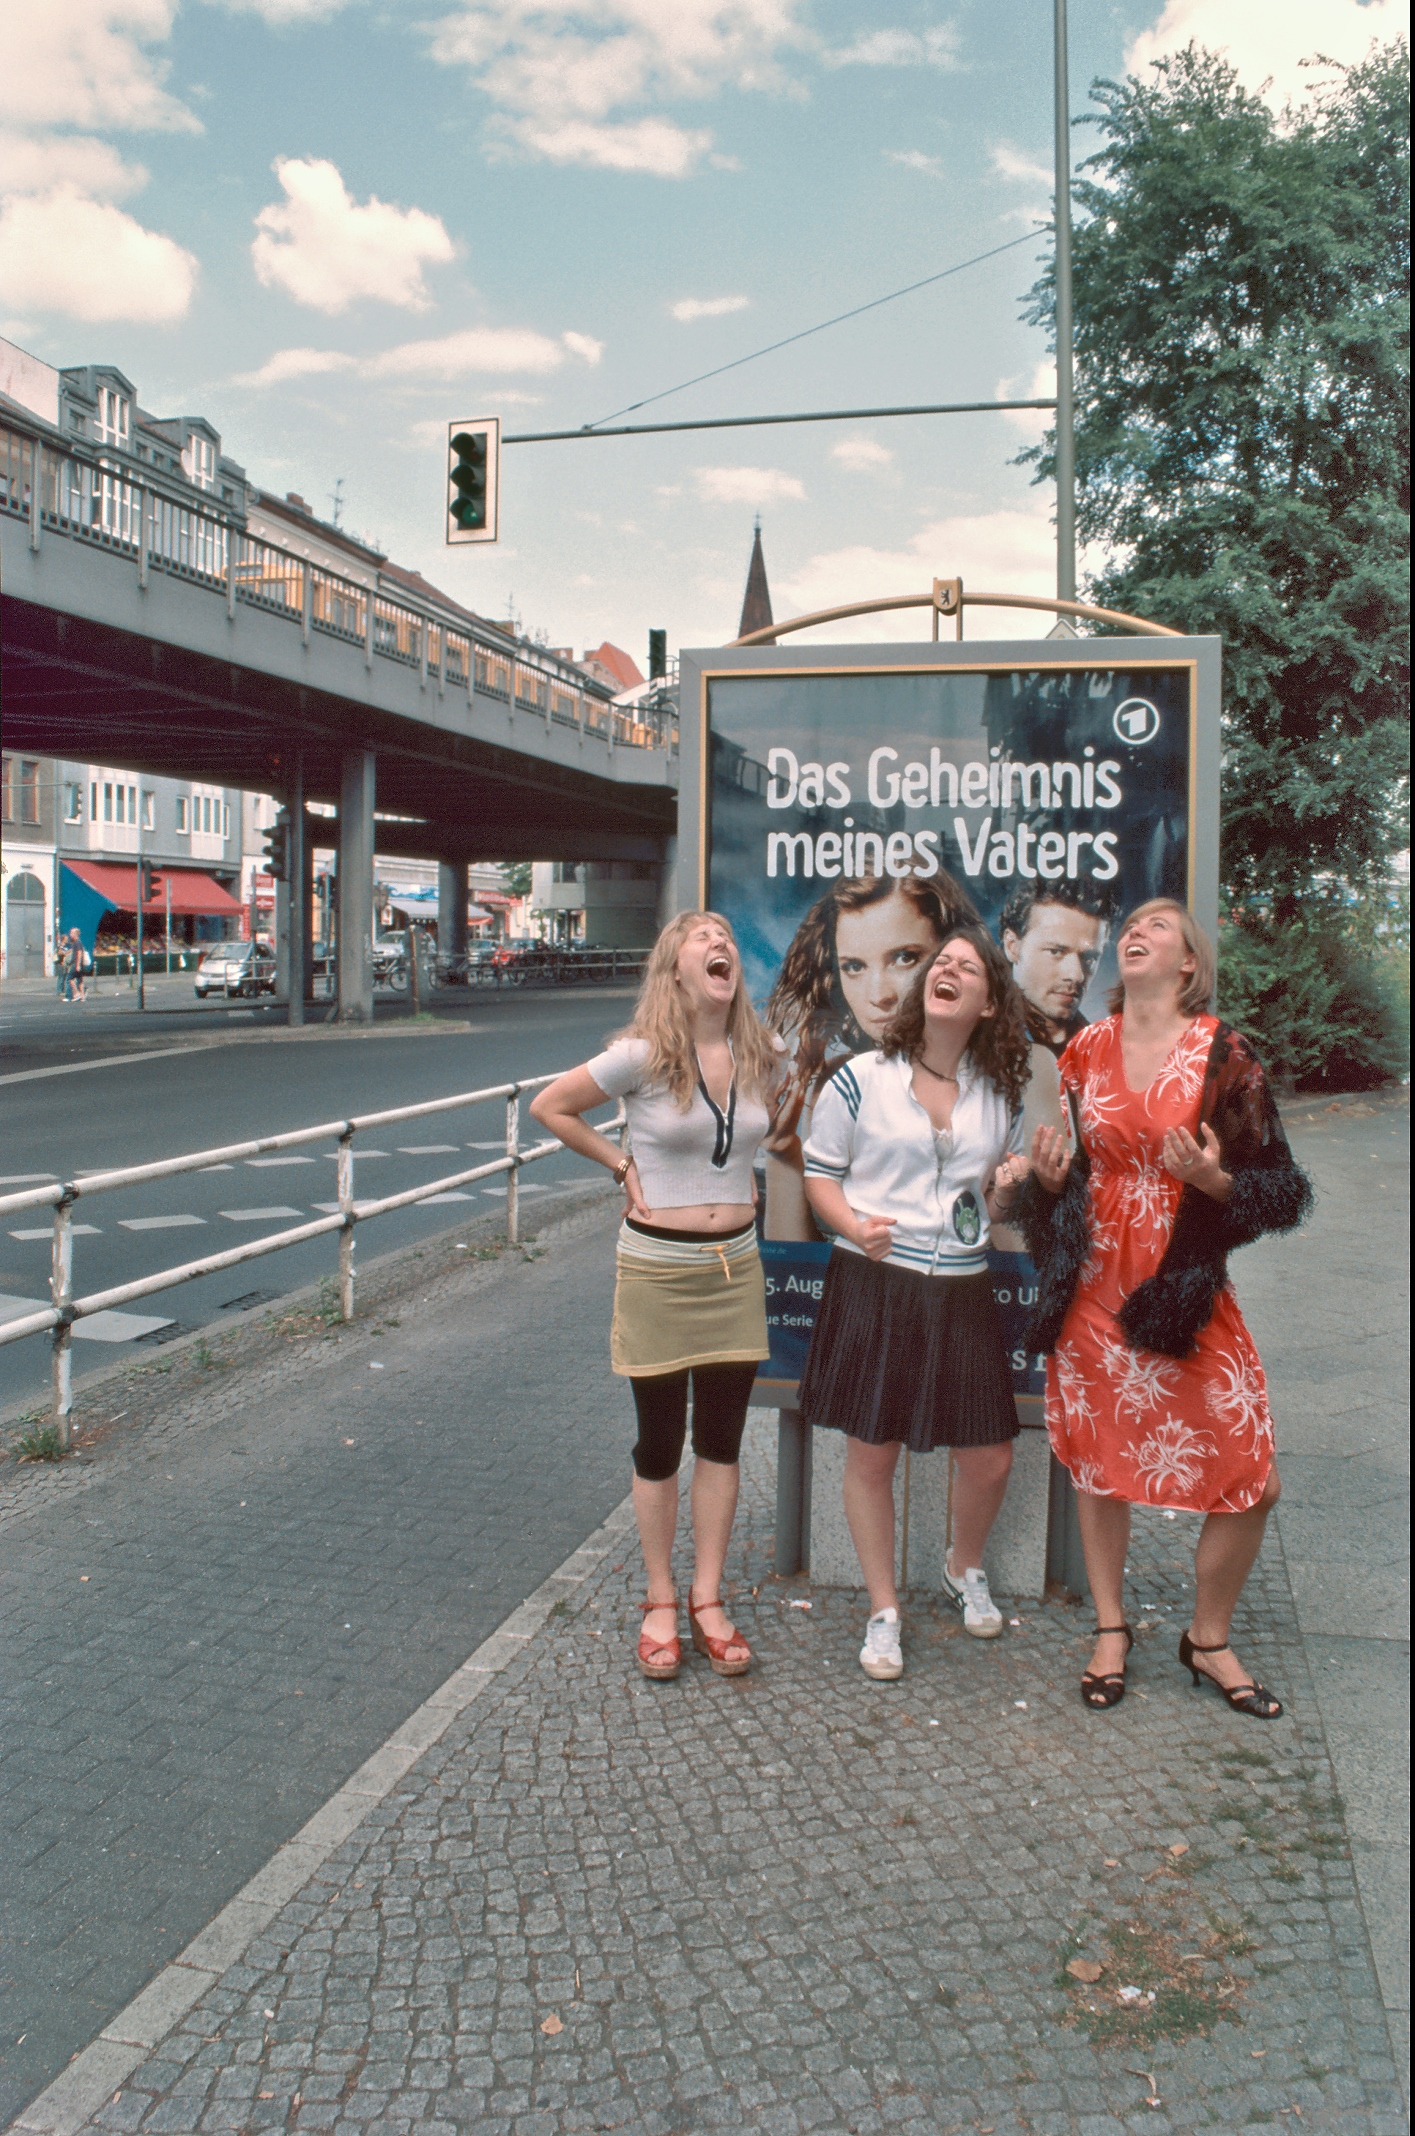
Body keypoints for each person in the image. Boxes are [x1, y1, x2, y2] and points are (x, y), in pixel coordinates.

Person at [1019, 899, 1312, 1718]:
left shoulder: (1225, 1052)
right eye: (1130, 928)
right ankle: (1110, 1628)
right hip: (1092, 1288)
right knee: (1098, 1460)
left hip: (1178, 1288)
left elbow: (1281, 1190)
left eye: (1156, 926)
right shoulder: (1083, 1049)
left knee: (1253, 1478)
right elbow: (1068, 1179)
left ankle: (1206, 1638)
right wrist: (1047, 1184)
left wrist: (1214, 1181)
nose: (1134, 933)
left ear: (1188, 963)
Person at [530, 911, 785, 1682]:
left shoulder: (759, 1051)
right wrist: (618, 1164)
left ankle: (708, 1596)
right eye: (699, 938)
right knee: (657, 1442)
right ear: (673, 969)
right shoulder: (640, 1056)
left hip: (734, 1267)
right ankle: (660, 1597)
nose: (719, 945)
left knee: (721, 1440)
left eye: (726, 939)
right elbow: (550, 1106)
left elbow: (788, 1126)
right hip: (657, 1269)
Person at [796, 925, 1033, 1679]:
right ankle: (882, 1609)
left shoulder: (1001, 1095)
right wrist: (849, 1225)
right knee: (871, 1451)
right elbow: (819, 1178)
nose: (949, 969)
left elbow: (994, 1205)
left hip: (962, 1285)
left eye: (967, 967)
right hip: (875, 1279)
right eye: (942, 962)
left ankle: (961, 1566)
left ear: (988, 1003)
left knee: (990, 1455)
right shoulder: (857, 1077)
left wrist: (1009, 1187)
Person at [763, 871, 978, 1240]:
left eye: (904, 958)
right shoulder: (839, 1083)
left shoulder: (1005, 1074)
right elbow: (801, 1268)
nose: (880, 994)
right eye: (855, 967)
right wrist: (783, 1155)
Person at [999, 881, 1116, 1057]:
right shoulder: (974, 1033)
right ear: (1012, 946)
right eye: (1056, 951)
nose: (1076, 975)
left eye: (1089, 958)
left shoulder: (1101, 1053)